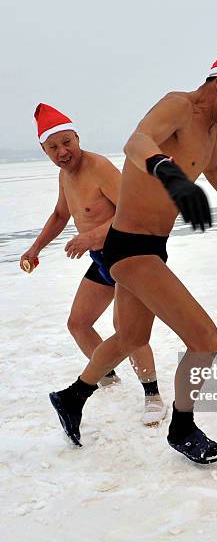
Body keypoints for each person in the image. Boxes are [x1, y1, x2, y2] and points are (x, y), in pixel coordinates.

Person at [49, 19, 217, 463]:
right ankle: (183, 427)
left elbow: (213, 167)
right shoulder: (179, 106)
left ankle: (72, 397)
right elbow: (136, 142)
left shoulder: (212, 129)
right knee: (205, 338)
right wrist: (166, 170)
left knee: (129, 335)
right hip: (129, 247)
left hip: (151, 246)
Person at [22, 103, 166, 426]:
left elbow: (133, 212)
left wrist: (91, 237)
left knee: (127, 330)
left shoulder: (98, 167)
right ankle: (107, 377)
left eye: (67, 142)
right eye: (54, 147)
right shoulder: (65, 176)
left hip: (130, 255)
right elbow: (61, 214)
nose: (63, 152)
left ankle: (153, 395)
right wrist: (35, 248)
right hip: (103, 260)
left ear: (77, 136)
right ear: (44, 150)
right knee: (78, 322)